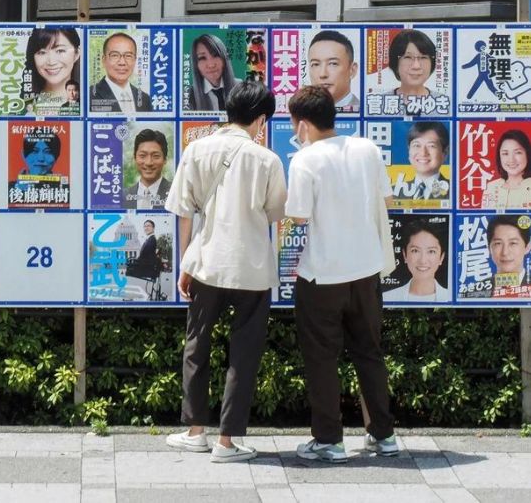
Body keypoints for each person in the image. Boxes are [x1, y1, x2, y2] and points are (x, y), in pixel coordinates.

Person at [164, 81, 286, 463]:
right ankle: (227, 442)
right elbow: (274, 213)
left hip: (206, 263)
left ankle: (195, 431)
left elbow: (184, 210)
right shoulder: (266, 159)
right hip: (251, 267)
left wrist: (186, 261)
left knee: (196, 346)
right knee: (244, 353)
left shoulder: (197, 149)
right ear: (261, 119)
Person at [286, 85, 398, 463]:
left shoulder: (305, 159)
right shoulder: (367, 148)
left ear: (301, 124)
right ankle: (384, 436)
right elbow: (387, 199)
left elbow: (298, 215)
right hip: (367, 269)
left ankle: (329, 439)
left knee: (322, 357)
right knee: (369, 352)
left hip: (322, 274)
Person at [384, 220, 449, 302]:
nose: (423, 260)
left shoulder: (449, 298)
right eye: (415, 251)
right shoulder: (387, 298)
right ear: (405, 255)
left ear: (441, 257)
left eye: (431, 251)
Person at [384, 30, 445, 113]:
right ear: (395, 62)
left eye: (423, 57)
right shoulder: (378, 104)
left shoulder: (444, 104)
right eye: (408, 57)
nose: (416, 66)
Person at [89, 32, 152, 113]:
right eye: (115, 55)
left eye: (128, 56)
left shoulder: (145, 99)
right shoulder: (88, 96)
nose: (122, 62)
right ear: (104, 60)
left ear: (135, 60)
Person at [22, 28, 81, 113]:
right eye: (42, 52)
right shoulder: (20, 107)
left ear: (76, 54)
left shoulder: (89, 103)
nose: (51, 62)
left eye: (60, 51)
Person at [394, 122, 449, 202]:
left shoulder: (456, 192)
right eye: (417, 145)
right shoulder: (393, 193)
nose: (423, 153)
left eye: (431, 146)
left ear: (445, 152)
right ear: (409, 150)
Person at [187, 34, 242, 111]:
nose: (211, 65)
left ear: (224, 58)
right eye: (202, 58)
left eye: (216, 55)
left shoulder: (240, 87)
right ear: (196, 64)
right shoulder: (189, 96)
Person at [307, 30, 359, 112]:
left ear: (352, 70)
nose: (322, 74)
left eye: (333, 64)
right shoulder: (302, 113)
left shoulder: (365, 111)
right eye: (316, 64)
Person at [482, 129, 531, 209]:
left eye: (518, 152)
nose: (511, 160)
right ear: (499, 156)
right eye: (505, 153)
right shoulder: (490, 187)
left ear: (527, 154)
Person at [124, 129, 171, 210]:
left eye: (156, 156)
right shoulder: (122, 196)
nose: (149, 163)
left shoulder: (176, 193)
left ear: (165, 160)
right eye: (142, 156)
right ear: (135, 158)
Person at [487, 215, 531, 295]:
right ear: (489, 248)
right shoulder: (477, 291)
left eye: (513, 243)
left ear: (527, 247)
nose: (505, 252)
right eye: (498, 243)